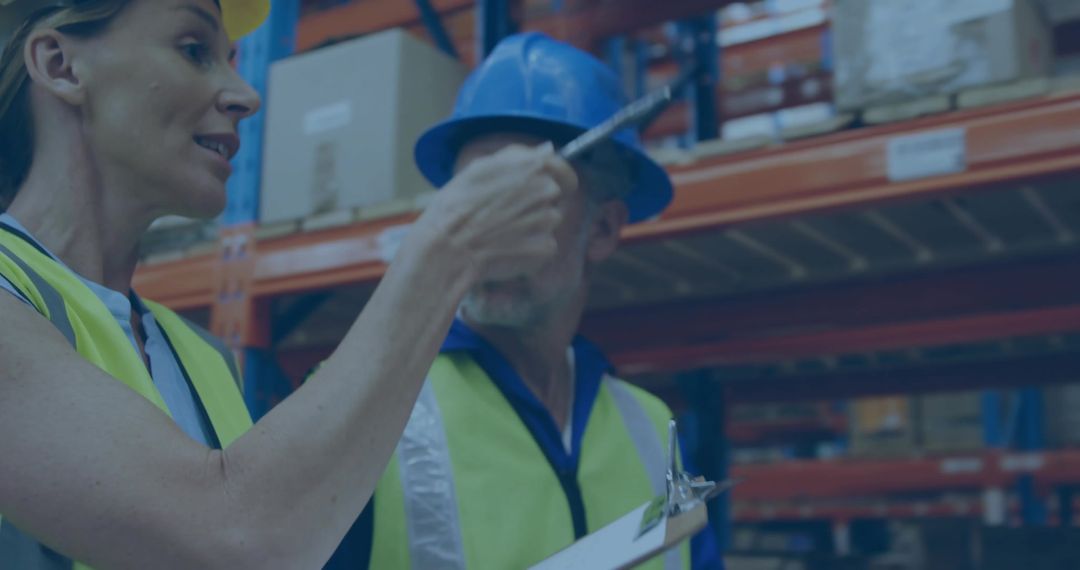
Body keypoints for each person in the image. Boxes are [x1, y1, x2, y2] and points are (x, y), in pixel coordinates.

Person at [0, 1, 576, 567]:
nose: (245, 95)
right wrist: (448, 250)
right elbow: (237, 537)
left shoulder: (201, 355)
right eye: (194, 50)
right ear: (59, 65)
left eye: (231, 58)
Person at [327, 32, 725, 570]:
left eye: (526, 200)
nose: (492, 230)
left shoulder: (653, 430)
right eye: (478, 198)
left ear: (603, 229)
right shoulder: (359, 409)